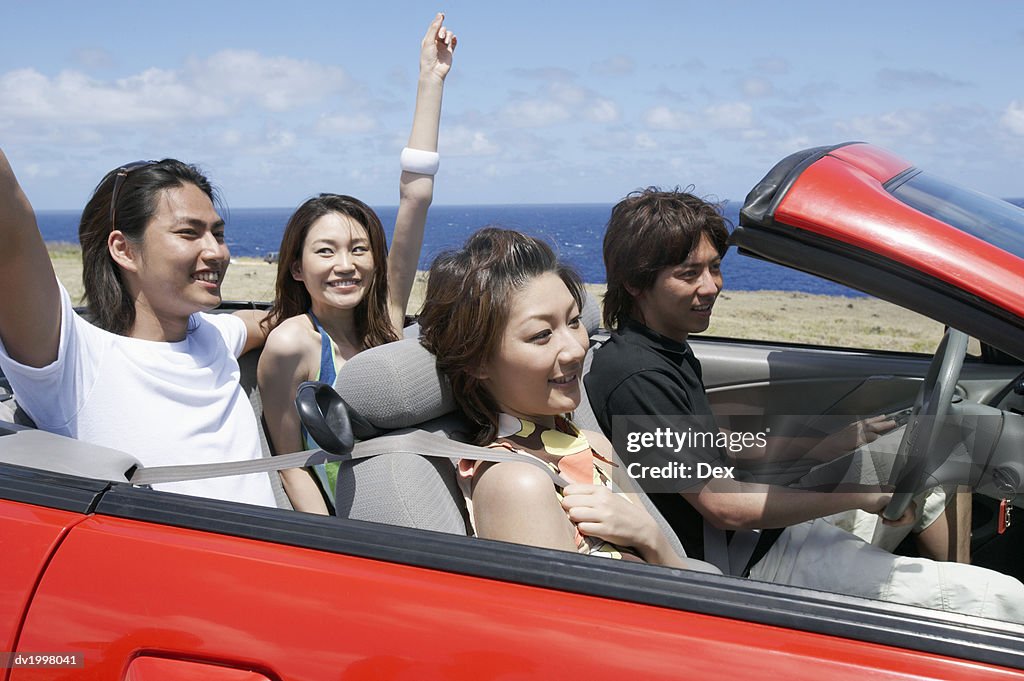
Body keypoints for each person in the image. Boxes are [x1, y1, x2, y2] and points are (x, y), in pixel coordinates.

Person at [584, 187, 1024, 619]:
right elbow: (723, 507)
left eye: (715, 267)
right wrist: (858, 496)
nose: (711, 286)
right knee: (1004, 596)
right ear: (635, 282)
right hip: (753, 563)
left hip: (765, 534)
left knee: (944, 454)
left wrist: (831, 441)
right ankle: (967, 617)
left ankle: (945, 615)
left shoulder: (664, 349)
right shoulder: (638, 376)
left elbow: (711, 445)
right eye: (687, 274)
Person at [258, 14, 457, 514]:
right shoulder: (292, 344)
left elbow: (416, 199)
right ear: (297, 268)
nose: (345, 265)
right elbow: (290, 463)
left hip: (415, 496)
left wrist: (430, 81)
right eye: (325, 251)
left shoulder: (385, 315)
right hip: (352, 519)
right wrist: (330, 544)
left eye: (359, 249)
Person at [417, 227, 707, 570]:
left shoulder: (593, 446)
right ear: (479, 361)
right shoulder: (516, 482)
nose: (575, 348)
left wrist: (652, 541)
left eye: (573, 321)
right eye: (541, 335)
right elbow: (564, 621)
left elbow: (676, 574)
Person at [0, 152, 275, 507]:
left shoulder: (213, 336)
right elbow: (10, 226)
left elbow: (262, 322)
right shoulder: (73, 361)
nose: (216, 251)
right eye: (189, 233)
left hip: (278, 557)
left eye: (218, 234)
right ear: (124, 250)